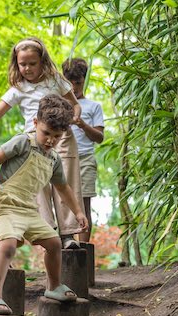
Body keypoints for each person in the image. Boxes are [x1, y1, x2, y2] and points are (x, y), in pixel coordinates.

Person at [0, 37, 85, 250]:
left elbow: (74, 105)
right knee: (38, 185)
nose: (28, 68)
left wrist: (74, 118)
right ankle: (49, 232)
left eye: (33, 63)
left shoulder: (55, 80)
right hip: (34, 139)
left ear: (42, 62)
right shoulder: (18, 88)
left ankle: (68, 234)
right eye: (23, 64)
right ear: (16, 64)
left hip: (62, 137)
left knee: (64, 182)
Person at [0, 94, 88, 315]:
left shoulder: (53, 159)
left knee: (55, 243)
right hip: (4, 204)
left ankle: (54, 286)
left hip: (28, 208)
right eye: (46, 133)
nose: (50, 140)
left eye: (56, 136)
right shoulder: (22, 142)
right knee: (7, 246)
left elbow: (63, 188)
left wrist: (78, 212)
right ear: (35, 123)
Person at [62, 58, 105, 243]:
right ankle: (67, 244)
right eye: (69, 83)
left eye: (78, 82)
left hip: (85, 158)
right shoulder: (60, 105)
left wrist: (82, 124)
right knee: (63, 203)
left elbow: (99, 138)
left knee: (84, 203)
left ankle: (84, 249)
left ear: (84, 80)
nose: (74, 87)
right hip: (62, 159)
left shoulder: (94, 106)